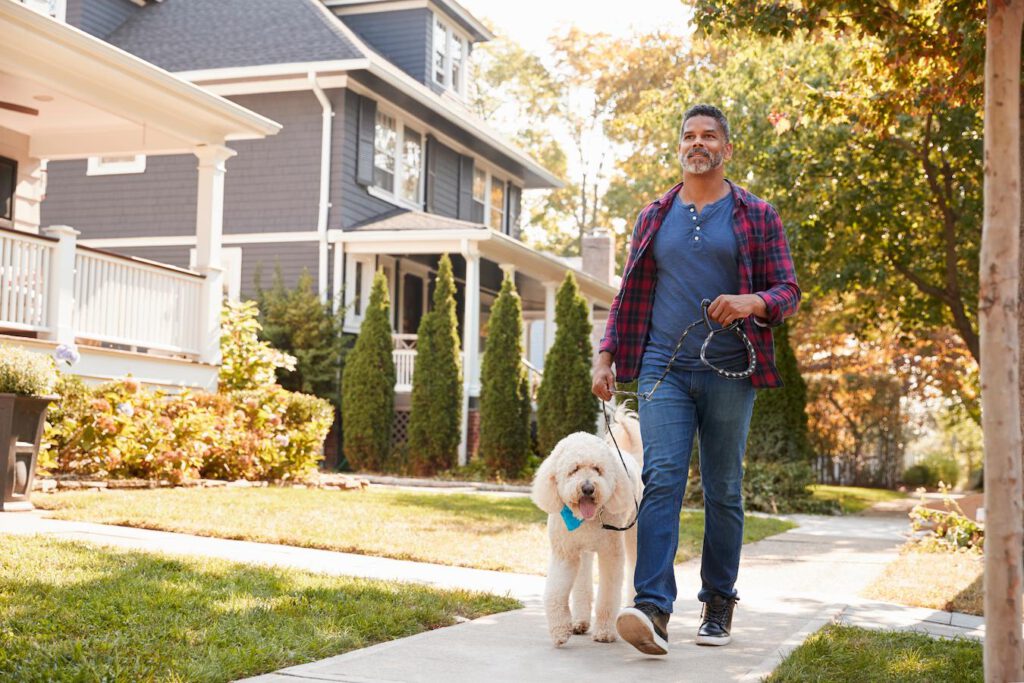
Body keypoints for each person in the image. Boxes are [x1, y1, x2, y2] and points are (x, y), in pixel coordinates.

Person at [592, 104, 800, 654]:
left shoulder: (757, 214)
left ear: (726, 149)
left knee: (723, 487)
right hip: (664, 365)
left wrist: (751, 300)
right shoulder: (654, 215)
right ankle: (653, 608)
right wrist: (606, 355)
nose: (698, 143)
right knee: (661, 477)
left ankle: (718, 600)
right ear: (679, 146)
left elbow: (787, 290)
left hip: (730, 367)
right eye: (689, 135)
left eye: (709, 136)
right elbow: (628, 294)